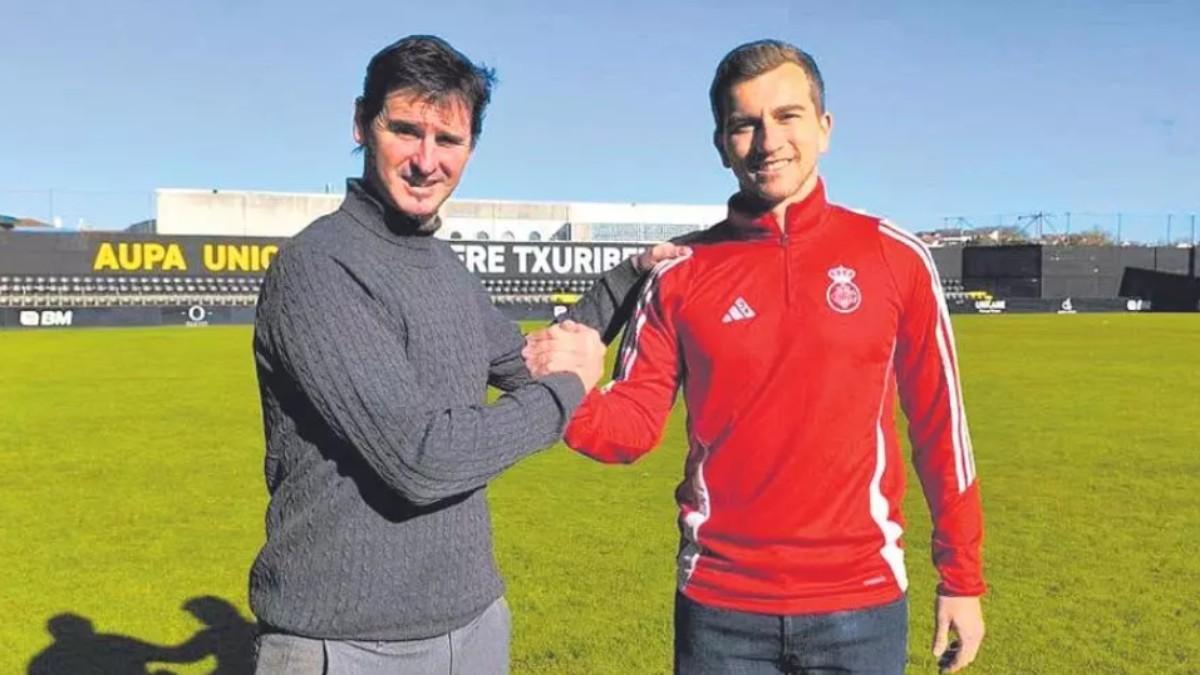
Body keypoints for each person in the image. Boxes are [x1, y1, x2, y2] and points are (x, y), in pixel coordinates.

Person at [526, 39, 986, 674]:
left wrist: (961, 578)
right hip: (720, 612)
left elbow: (942, 431)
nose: (768, 141)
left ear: (825, 128)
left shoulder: (895, 258)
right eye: (745, 124)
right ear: (721, 144)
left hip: (862, 605)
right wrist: (572, 391)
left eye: (788, 116)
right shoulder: (680, 275)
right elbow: (630, 430)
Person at [249, 34, 682, 674]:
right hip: (342, 644)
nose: (427, 160)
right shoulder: (318, 268)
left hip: (472, 626)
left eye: (448, 141)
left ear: (471, 148)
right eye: (406, 130)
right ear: (361, 124)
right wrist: (568, 393)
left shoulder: (445, 268)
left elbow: (530, 361)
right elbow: (419, 460)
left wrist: (629, 278)